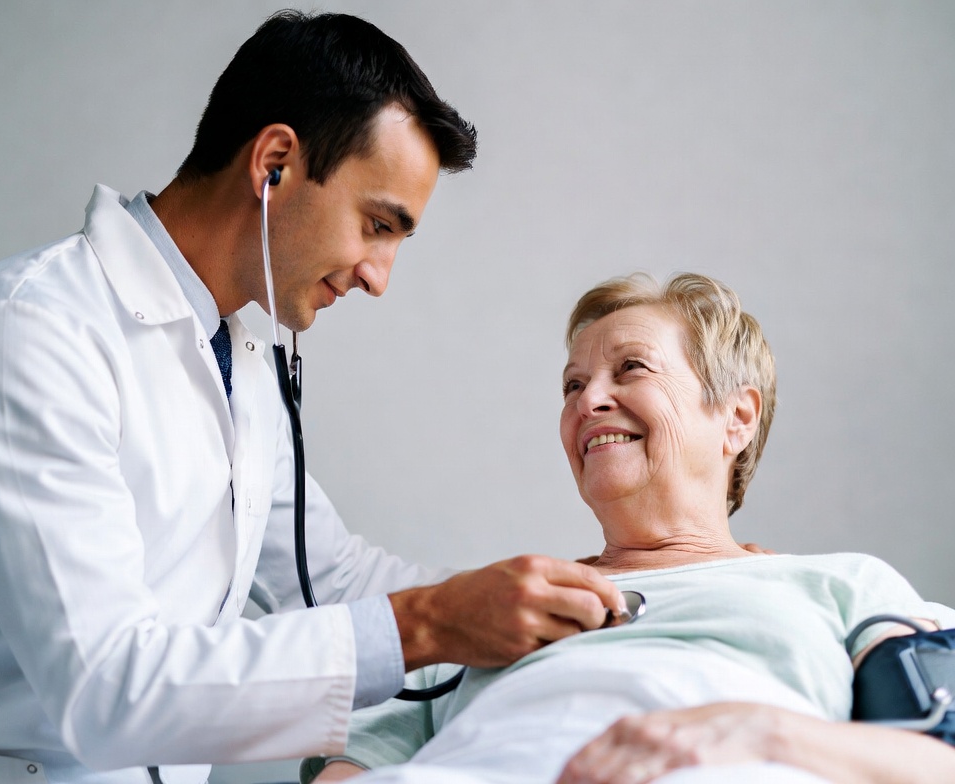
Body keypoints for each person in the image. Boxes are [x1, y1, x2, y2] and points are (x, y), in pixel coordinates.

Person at [0, 11, 629, 784]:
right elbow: (107, 687)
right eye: (378, 226)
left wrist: (564, 598)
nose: (379, 277)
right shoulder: (28, 331)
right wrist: (431, 623)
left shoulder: (239, 360)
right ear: (274, 164)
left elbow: (331, 578)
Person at [303, 273, 955, 784]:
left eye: (631, 368)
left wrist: (764, 733)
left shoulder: (846, 588)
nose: (587, 401)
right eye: (572, 385)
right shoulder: (482, 608)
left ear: (737, 417)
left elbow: (939, 760)